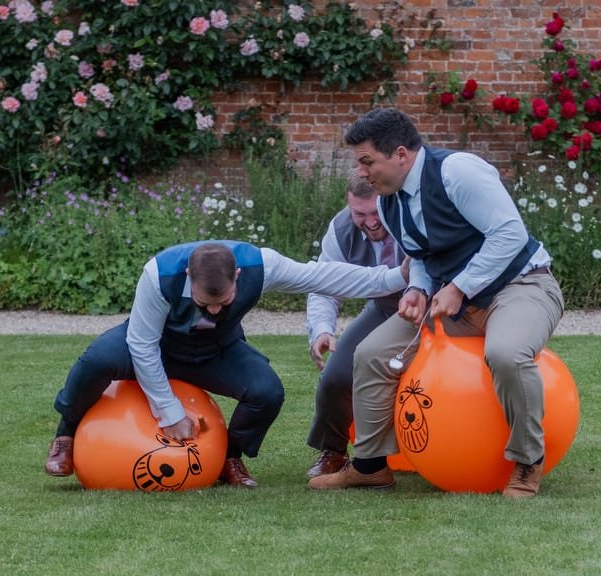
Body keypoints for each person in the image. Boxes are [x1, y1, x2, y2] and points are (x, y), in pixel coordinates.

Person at [309, 108, 564, 498]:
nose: (361, 172)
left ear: (400, 154)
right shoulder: (388, 202)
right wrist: (418, 289)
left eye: (367, 161)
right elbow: (422, 257)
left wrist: (459, 286)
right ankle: (370, 467)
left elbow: (510, 234)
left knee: (506, 354)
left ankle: (528, 463)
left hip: (521, 286)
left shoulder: (457, 171)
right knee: (371, 353)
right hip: (453, 301)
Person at [44, 240, 408, 487]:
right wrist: (170, 412)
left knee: (267, 391)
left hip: (216, 350)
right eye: (206, 303)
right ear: (189, 278)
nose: (215, 310)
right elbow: (142, 346)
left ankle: (227, 459)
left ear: (237, 277)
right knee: (96, 360)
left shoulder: (261, 264)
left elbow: (321, 276)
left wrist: (394, 277)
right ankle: (66, 435)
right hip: (158, 344)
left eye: (225, 302)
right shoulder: (159, 274)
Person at [303, 170, 404, 479]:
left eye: (375, 212)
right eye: (360, 214)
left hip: (433, 306)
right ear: (348, 206)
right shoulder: (341, 230)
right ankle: (333, 451)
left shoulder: (409, 218)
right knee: (335, 376)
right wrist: (322, 329)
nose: (370, 222)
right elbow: (324, 284)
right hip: (385, 307)